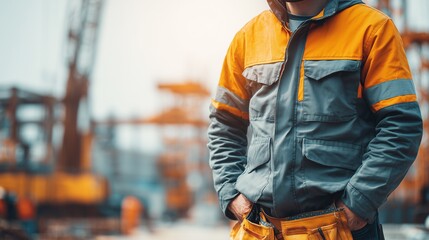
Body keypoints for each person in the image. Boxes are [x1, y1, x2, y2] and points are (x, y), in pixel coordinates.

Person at [207, 0, 423, 239]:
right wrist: (231, 195)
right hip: (259, 228)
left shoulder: (372, 29)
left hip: (341, 230)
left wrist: (358, 203)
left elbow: (401, 125)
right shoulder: (249, 37)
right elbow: (224, 123)